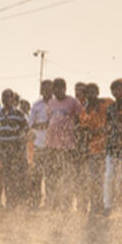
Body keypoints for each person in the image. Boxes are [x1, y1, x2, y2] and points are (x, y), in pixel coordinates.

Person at [45, 78, 82, 211]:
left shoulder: (73, 102)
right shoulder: (51, 102)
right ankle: (54, 203)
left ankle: (67, 204)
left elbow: (79, 120)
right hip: (52, 144)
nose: (57, 90)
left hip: (67, 145)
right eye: (55, 88)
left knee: (67, 175)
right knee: (53, 175)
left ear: (65, 89)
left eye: (60, 88)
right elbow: (50, 120)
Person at [0, 89, 30, 209]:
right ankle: (10, 202)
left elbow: (27, 129)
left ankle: (21, 202)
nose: (5, 99)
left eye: (8, 97)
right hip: (4, 151)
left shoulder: (19, 114)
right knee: (7, 177)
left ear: (12, 99)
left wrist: (24, 139)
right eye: (3, 97)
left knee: (18, 176)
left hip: (17, 150)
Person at [77, 83, 109, 215]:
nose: (91, 95)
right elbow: (85, 132)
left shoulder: (105, 104)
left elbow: (109, 125)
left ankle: (105, 206)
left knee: (106, 179)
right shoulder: (84, 112)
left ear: (98, 92)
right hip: (92, 150)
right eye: (88, 92)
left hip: (107, 149)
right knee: (94, 179)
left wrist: (96, 131)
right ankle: (95, 206)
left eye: (93, 91)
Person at [104, 78, 122, 215]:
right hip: (111, 147)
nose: (118, 91)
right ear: (112, 92)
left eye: (121, 88)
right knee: (109, 177)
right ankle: (107, 206)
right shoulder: (111, 108)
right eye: (115, 89)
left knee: (121, 179)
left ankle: (121, 206)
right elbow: (108, 126)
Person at [28, 80, 52, 209]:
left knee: (51, 175)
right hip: (39, 145)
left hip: (53, 145)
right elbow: (31, 124)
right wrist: (45, 125)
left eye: (50, 89)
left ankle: (49, 202)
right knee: (37, 175)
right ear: (41, 91)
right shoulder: (36, 105)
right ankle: (36, 201)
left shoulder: (57, 104)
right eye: (45, 89)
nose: (48, 92)